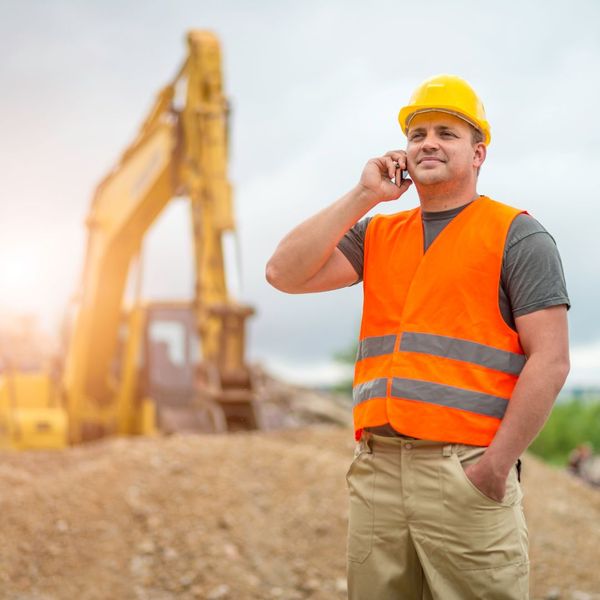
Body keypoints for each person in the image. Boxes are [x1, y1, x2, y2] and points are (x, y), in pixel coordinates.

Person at [265, 74, 570, 599]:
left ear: (478, 153)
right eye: (418, 132)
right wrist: (365, 195)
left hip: (466, 470)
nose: (428, 141)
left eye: (447, 133)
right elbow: (283, 274)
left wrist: (495, 467)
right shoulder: (378, 234)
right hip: (379, 471)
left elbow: (552, 360)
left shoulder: (517, 235)